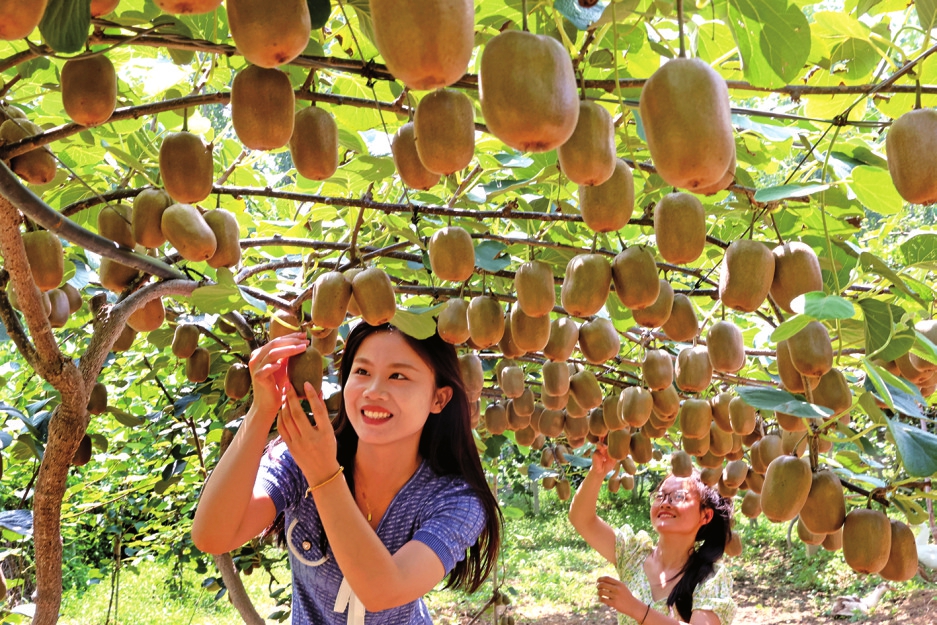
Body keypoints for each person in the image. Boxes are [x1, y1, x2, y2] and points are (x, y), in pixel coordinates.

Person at [192, 321, 501, 624]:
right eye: (362, 372)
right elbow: (213, 536)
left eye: (398, 376)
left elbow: (383, 591)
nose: (373, 391)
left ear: (439, 398)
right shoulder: (302, 458)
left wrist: (324, 475)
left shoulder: (456, 501)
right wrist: (262, 410)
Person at [568, 445, 736, 625]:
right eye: (660, 496)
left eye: (679, 496)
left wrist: (636, 608)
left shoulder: (710, 578)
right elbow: (581, 519)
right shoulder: (633, 555)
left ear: (706, 515)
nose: (665, 503)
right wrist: (597, 472)